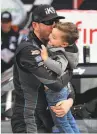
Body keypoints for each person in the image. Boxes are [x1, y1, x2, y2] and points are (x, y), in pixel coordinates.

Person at [11, 4, 74, 133]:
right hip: (28, 120)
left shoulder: (52, 47)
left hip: (46, 118)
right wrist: (70, 69)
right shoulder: (28, 49)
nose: (54, 25)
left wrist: (69, 101)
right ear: (35, 25)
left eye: (55, 21)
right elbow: (55, 84)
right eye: (48, 22)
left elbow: (66, 83)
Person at [40, 22, 80, 133]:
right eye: (51, 34)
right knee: (69, 120)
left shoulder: (60, 53)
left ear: (64, 44)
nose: (49, 37)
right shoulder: (59, 47)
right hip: (62, 90)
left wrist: (45, 59)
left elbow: (59, 68)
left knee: (61, 124)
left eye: (53, 37)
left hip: (56, 93)